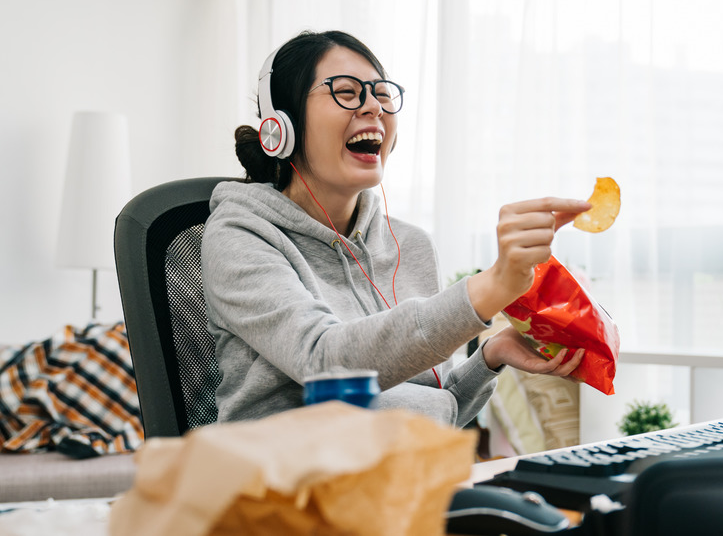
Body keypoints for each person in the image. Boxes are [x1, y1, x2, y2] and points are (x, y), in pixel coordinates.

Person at [202, 30, 590, 427]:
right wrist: (490, 287)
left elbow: (439, 409)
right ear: (282, 127)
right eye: (347, 93)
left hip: (403, 474)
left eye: (382, 93)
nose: (373, 107)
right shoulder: (240, 237)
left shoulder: (410, 244)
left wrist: (489, 357)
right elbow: (324, 362)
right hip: (290, 481)